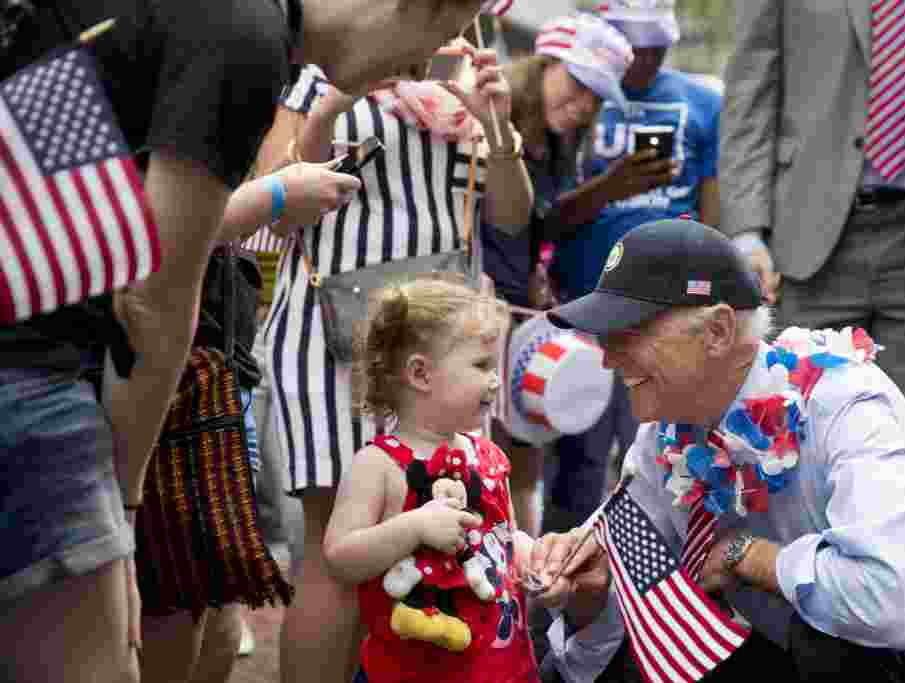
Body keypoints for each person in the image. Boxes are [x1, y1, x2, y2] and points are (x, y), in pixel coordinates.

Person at [0, 2, 518, 681]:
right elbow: (155, 291)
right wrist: (122, 511)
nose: (425, 65)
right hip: (33, 369)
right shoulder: (244, 34)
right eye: (439, 30)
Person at [530, 218, 905, 682]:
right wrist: (586, 597)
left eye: (630, 331)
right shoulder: (666, 428)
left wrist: (753, 556)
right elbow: (623, 608)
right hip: (788, 644)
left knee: (834, 639)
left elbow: (892, 605)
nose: (609, 355)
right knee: (564, 634)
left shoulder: (840, 398)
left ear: (718, 331)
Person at [263, 42, 534, 683]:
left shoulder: (467, 70)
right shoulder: (317, 68)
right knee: (335, 538)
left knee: (451, 523)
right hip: (332, 337)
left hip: (446, 345)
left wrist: (495, 126)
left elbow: (511, 219)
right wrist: (342, 93)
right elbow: (275, 204)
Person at [718, 1, 905, 514]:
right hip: (804, 247)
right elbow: (750, 90)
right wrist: (747, 231)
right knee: (788, 450)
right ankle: (793, 584)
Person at [543, 0, 722, 535]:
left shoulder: (702, 103)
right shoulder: (577, 97)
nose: (645, 58)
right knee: (579, 461)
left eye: (657, 46)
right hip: (584, 308)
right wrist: (612, 186)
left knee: (666, 457)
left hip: (669, 315)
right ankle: (563, 588)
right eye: (634, 45)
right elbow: (546, 220)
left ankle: (661, 588)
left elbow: (715, 214)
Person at [322, 276, 538, 683]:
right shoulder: (380, 465)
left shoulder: (490, 456)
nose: (495, 379)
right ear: (420, 373)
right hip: (411, 671)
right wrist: (414, 526)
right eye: (481, 365)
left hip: (498, 667)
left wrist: (530, 554)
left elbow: (504, 537)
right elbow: (339, 558)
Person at [482, 13, 636, 537]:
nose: (585, 106)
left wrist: (540, 270)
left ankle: (523, 590)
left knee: (522, 466)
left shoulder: (562, 143)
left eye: (597, 97)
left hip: (525, 316)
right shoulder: (486, 120)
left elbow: (540, 225)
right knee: (483, 460)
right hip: (480, 310)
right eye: (578, 84)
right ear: (542, 64)